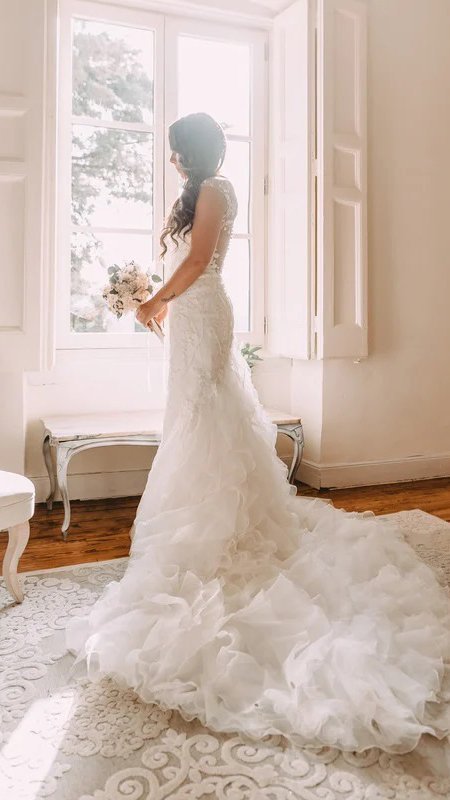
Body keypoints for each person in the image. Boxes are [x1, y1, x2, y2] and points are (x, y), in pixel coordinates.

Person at [66, 111, 450, 755]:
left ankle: (226, 530)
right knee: (190, 416)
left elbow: (197, 263)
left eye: (172, 151)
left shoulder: (218, 190)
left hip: (203, 312)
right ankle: (208, 522)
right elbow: (179, 261)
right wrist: (147, 297)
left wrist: (154, 299)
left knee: (204, 412)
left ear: (191, 151)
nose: (169, 161)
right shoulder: (191, 194)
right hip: (185, 318)